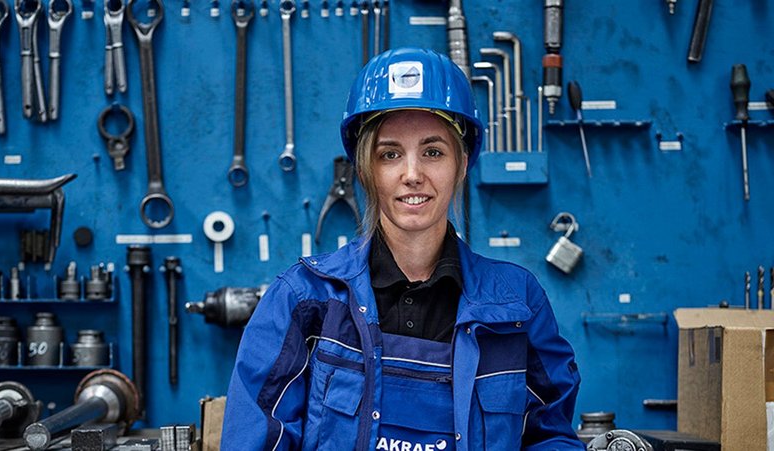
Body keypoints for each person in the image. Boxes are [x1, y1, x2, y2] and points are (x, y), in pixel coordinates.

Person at [221, 47, 582, 451]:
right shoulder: (305, 301)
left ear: (462, 165)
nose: (413, 175)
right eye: (390, 154)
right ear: (364, 170)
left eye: (433, 152)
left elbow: (551, 437)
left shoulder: (517, 305)